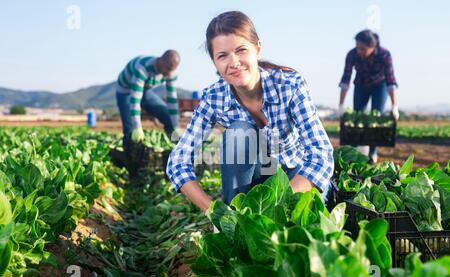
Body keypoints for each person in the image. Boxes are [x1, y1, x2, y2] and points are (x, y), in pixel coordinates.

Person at [166, 11, 334, 212]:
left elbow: (320, 155)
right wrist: (214, 211)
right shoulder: (213, 98)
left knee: (300, 224)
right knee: (239, 131)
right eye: (222, 56)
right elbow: (177, 162)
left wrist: (277, 207)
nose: (234, 62)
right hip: (253, 187)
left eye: (241, 50)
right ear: (214, 63)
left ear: (257, 49)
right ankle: (236, 218)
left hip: (295, 178)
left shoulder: (289, 85)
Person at [338, 29, 399, 163]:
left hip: (380, 86)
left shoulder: (384, 54)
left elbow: (390, 81)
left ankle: (372, 154)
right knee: (358, 116)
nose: (359, 51)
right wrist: (341, 105)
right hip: (361, 85)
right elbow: (345, 80)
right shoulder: (352, 54)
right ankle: (353, 153)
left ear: (373, 46)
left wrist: (395, 106)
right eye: (357, 47)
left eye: (363, 49)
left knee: (376, 116)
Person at [116, 50, 180, 153]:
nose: (169, 73)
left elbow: (172, 100)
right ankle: (131, 158)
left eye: (172, 70)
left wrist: (176, 126)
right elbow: (135, 99)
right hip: (125, 91)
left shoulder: (170, 73)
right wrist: (137, 127)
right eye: (167, 68)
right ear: (160, 61)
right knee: (130, 129)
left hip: (145, 90)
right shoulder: (142, 68)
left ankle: (176, 151)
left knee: (168, 117)